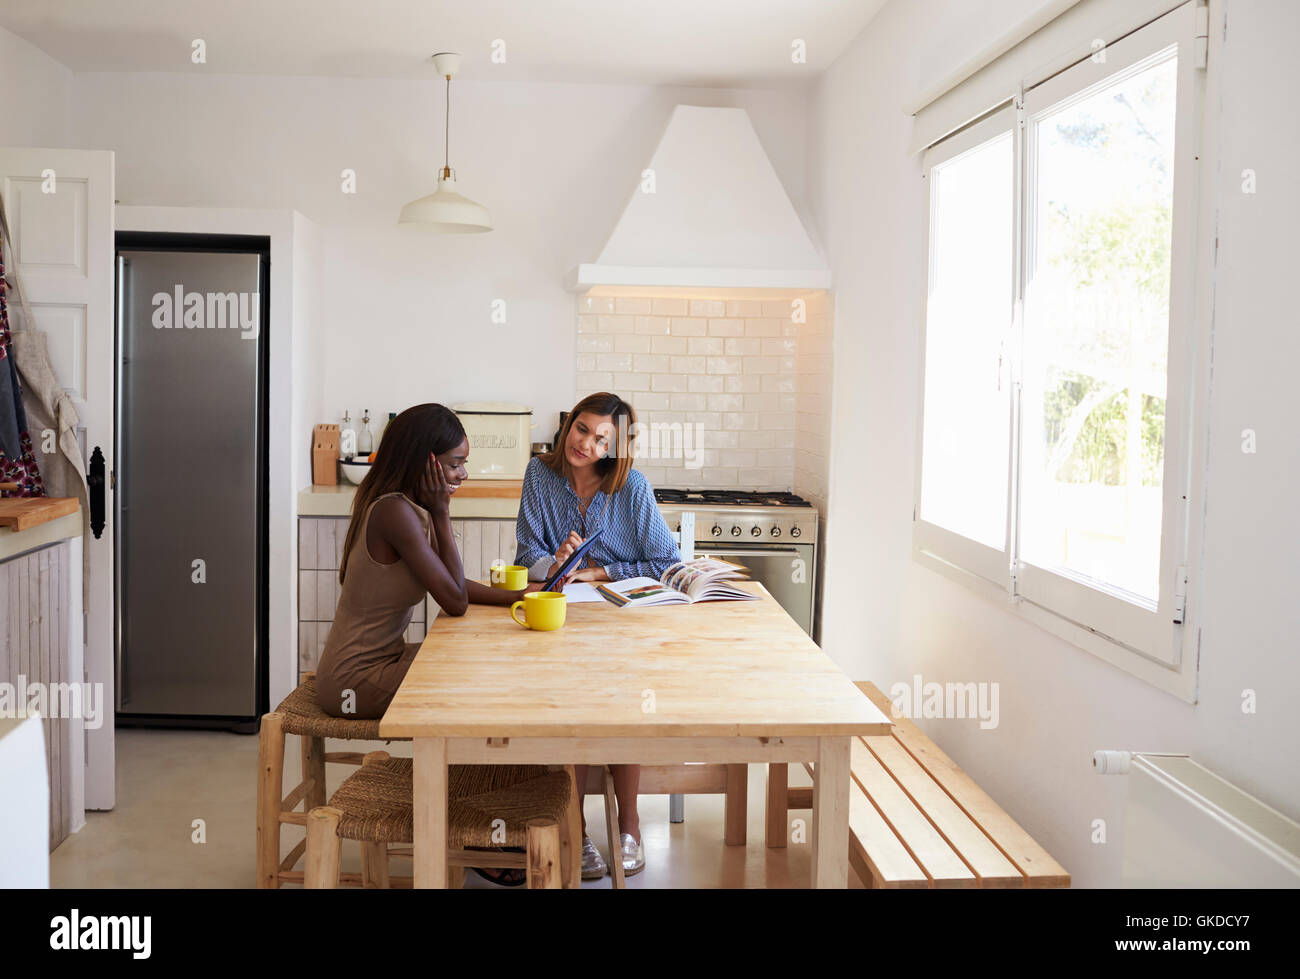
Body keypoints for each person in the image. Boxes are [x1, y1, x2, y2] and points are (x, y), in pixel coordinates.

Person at [515, 391, 681, 879]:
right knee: (571, 711)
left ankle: (628, 825)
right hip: (562, 621)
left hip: (623, 623)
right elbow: (527, 556)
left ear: (615, 447)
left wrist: (602, 570)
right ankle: (577, 827)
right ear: (569, 426)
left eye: (600, 438)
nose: (585, 443)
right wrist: (560, 562)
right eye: (581, 429)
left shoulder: (632, 488)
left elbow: (667, 562)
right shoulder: (538, 476)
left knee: (624, 707)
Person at [316, 402, 529, 720]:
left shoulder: (407, 508)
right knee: (477, 675)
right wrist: (442, 511)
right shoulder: (395, 512)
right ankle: (463, 768)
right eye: (455, 464)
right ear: (423, 463)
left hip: (383, 662)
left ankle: (480, 767)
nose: (464, 474)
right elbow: (455, 600)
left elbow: (447, 582)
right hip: (353, 684)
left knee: (478, 655)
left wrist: (516, 598)